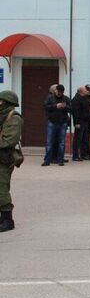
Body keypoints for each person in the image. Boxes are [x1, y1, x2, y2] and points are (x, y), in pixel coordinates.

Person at [0, 91, 24, 232]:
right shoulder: (2, 117)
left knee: (1, 188)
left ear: (7, 102)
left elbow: (9, 140)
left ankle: (8, 219)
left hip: (5, 158)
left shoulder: (14, 118)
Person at [42, 84, 71, 166]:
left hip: (62, 123)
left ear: (63, 92)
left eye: (61, 92)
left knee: (61, 143)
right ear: (55, 91)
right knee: (49, 142)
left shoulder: (66, 99)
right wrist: (55, 106)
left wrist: (65, 107)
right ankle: (47, 160)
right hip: (52, 122)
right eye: (58, 91)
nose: (59, 93)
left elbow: (71, 108)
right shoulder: (50, 98)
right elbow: (45, 106)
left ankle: (60, 160)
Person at [71, 86, 90, 161]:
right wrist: (77, 122)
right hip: (80, 122)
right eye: (85, 90)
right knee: (78, 139)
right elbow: (75, 112)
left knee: (85, 139)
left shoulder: (84, 98)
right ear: (81, 91)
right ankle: (75, 156)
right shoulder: (76, 99)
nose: (86, 91)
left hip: (85, 121)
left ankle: (83, 154)